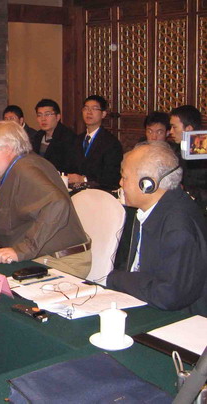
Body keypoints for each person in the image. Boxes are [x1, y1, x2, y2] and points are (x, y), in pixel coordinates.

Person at [0, 121, 91, 277]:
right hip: (43, 257)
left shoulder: (25, 169)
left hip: (60, 261)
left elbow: (57, 204)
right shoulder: (15, 168)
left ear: (7, 148)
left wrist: (23, 250)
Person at [107, 142, 207, 315]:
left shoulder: (178, 225)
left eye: (125, 177)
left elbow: (169, 295)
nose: (120, 183)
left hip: (179, 319)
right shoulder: (154, 209)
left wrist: (116, 279)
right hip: (145, 302)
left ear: (147, 184)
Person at [67, 95, 123, 190]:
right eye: (86, 108)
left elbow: (112, 177)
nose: (89, 112)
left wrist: (84, 179)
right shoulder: (77, 140)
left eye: (94, 108)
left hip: (100, 192)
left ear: (103, 114)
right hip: (76, 191)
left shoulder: (111, 143)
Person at [169, 105, 207, 209]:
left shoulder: (203, 153)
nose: (171, 131)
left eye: (174, 127)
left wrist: (187, 191)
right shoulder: (175, 150)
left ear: (188, 129)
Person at [30, 99, 77, 174]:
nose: (43, 119)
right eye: (39, 115)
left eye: (47, 114)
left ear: (58, 117)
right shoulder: (37, 136)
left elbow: (70, 167)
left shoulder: (68, 138)